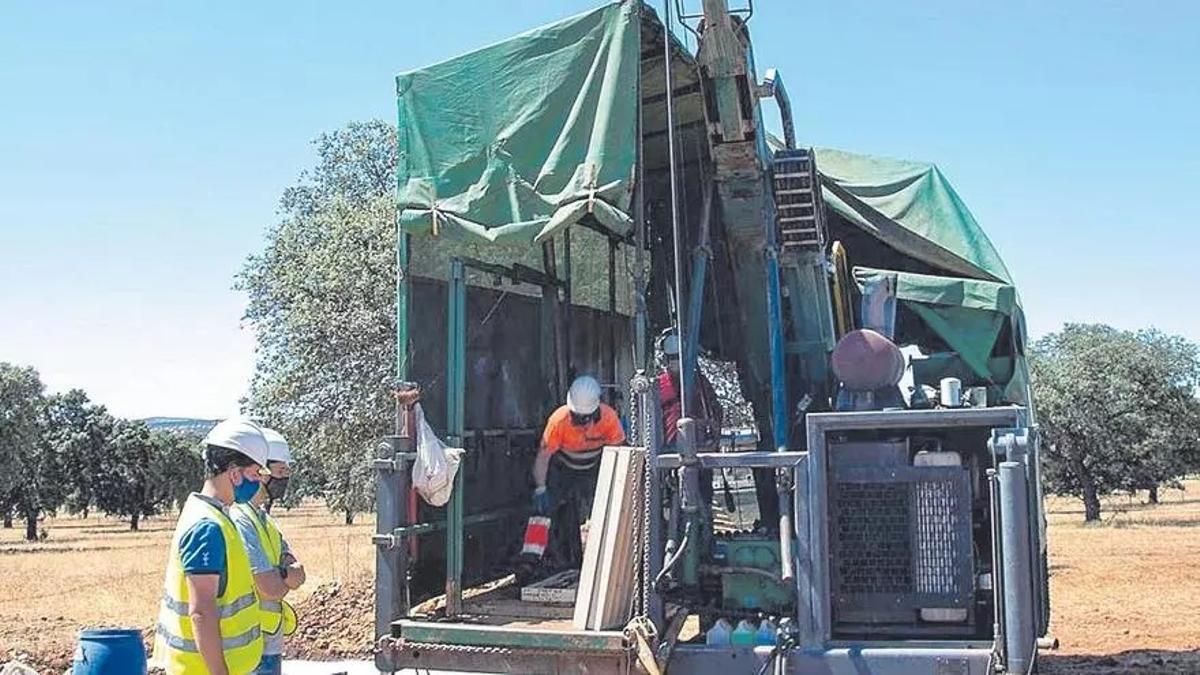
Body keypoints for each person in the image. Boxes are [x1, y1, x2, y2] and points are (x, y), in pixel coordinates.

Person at [152, 418, 269, 675]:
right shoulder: (208, 527)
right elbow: (202, 612)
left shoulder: (211, 514)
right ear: (235, 473)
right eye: (254, 473)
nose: (258, 482)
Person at [231, 427, 306, 675]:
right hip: (248, 643)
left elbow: (298, 572)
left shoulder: (264, 519)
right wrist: (284, 578)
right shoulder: (241, 519)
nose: (285, 478)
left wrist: (279, 574)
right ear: (260, 472)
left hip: (268, 641)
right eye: (281, 471)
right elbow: (270, 588)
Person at [532, 375, 626, 568]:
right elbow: (543, 457)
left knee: (604, 512)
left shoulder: (609, 418)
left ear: (596, 411)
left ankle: (603, 563)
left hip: (595, 469)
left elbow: (620, 455)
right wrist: (541, 488)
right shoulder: (559, 420)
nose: (584, 424)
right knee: (542, 514)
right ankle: (531, 559)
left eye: (587, 419)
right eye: (578, 418)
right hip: (563, 470)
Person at [658, 330, 724, 507]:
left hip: (700, 448)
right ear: (665, 359)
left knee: (703, 494)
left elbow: (716, 411)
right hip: (671, 449)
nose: (675, 362)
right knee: (673, 499)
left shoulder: (700, 383)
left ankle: (705, 528)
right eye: (672, 358)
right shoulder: (658, 385)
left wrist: (714, 438)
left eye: (678, 357)